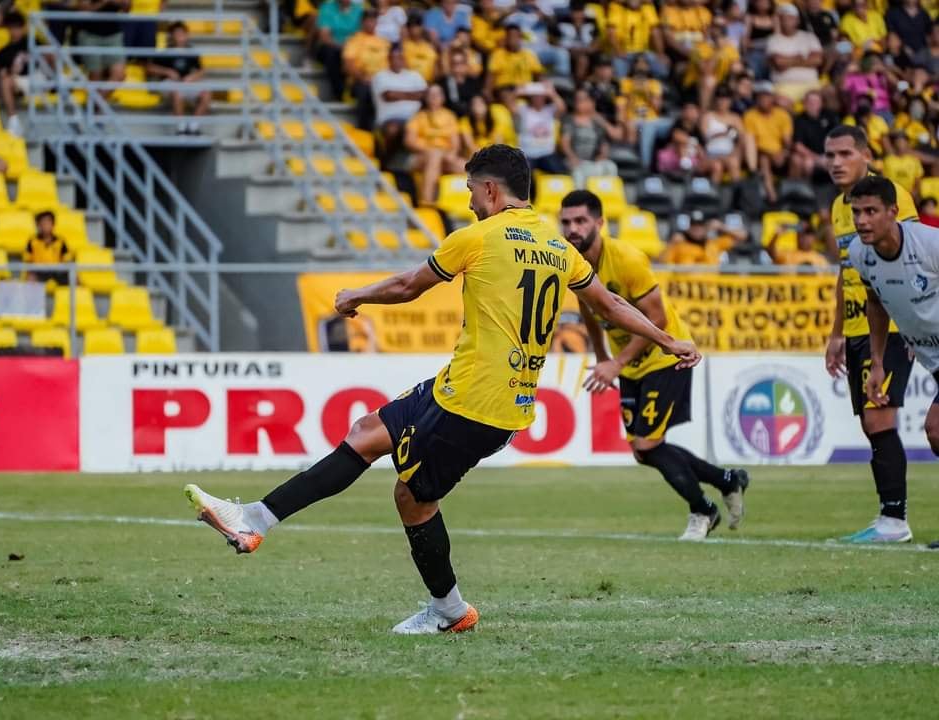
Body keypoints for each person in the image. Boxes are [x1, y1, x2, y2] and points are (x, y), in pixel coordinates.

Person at [183, 144, 701, 634]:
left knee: (413, 497)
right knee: (367, 433)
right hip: (480, 391)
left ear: (493, 191)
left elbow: (410, 286)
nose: (470, 201)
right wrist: (666, 339)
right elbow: (610, 304)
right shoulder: (557, 247)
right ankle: (252, 519)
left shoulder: (478, 237)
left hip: (473, 402)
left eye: (473, 190)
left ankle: (448, 611)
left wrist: (355, 295)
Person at [561, 190, 748, 541]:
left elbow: (658, 317)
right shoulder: (575, 264)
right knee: (643, 452)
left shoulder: (627, 258)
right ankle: (727, 480)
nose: (572, 228)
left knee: (647, 445)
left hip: (667, 356)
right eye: (566, 222)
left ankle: (703, 511)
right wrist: (603, 358)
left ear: (599, 223)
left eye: (580, 220)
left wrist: (616, 362)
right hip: (630, 363)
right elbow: (588, 310)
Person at [823, 125, 919, 544]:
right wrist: (836, 332)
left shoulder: (890, 194)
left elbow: (913, 256)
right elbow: (848, 273)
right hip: (859, 325)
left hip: (895, 323)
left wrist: (917, 322)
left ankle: (894, 521)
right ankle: (889, 517)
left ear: (865, 154)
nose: (835, 163)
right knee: (870, 421)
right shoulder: (838, 207)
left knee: (879, 417)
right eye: (829, 155)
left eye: (844, 153)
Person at [847, 176, 939, 549]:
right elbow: (876, 303)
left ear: (893, 213)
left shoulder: (930, 244)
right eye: (856, 212)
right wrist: (879, 362)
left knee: (936, 430)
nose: (862, 220)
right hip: (934, 359)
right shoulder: (859, 253)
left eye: (871, 212)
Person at [404, 84, 465, 206]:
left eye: (437, 94)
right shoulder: (418, 117)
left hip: (444, 156)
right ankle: (427, 200)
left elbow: (455, 143)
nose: (434, 97)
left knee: (467, 166)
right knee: (434, 155)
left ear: (443, 98)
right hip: (421, 157)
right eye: (431, 95)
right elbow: (409, 141)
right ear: (426, 98)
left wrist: (450, 155)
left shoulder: (449, 116)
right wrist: (430, 150)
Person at [147, 22, 209, 135]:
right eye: (177, 33)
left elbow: (201, 70)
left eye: (182, 33)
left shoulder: (191, 51)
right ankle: (180, 127)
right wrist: (167, 72)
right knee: (177, 92)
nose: (180, 36)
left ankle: (194, 126)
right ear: (171, 36)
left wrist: (192, 77)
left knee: (206, 94)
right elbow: (150, 68)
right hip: (167, 82)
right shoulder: (165, 51)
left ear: (187, 35)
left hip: (185, 82)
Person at [560, 86, 618, 190]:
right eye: (577, 99)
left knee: (610, 166)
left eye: (583, 99)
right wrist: (572, 157)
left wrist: (602, 155)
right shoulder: (569, 120)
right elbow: (565, 143)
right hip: (575, 160)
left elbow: (609, 139)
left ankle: (606, 198)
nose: (580, 102)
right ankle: (580, 201)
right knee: (578, 172)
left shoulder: (597, 122)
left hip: (592, 161)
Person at [742, 81, 792, 202]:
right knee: (764, 159)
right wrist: (771, 153)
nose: (763, 99)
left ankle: (792, 195)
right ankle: (772, 196)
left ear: (773, 98)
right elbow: (751, 142)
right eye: (760, 96)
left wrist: (784, 152)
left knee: (796, 160)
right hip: (760, 153)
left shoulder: (782, 115)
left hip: (780, 153)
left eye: (767, 96)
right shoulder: (750, 115)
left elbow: (787, 140)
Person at [766, 3, 822, 104]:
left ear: (798, 20)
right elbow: (779, 63)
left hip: (811, 85)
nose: (787, 22)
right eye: (784, 19)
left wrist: (789, 60)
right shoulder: (773, 40)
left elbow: (817, 60)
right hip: (784, 86)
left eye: (791, 18)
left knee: (828, 93)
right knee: (781, 102)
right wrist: (802, 59)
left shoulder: (809, 37)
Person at [344, 9, 390, 130]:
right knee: (366, 91)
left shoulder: (384, 42)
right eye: (368, 21)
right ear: (362, 22)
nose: (371, 23)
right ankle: (364, 129)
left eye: (373, 20)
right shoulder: (354, 40)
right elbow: (348, 64)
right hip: (360, 81)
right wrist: (363, 77)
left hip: (382, 81)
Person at [75, 0, 129, 98]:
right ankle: (96, 108)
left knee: (120, 74)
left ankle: (96, 106)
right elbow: (83, 9)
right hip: (90, 35)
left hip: (113, 35)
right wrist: (103, 2)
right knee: (95, 75)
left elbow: (127, 8)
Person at [314, 0, 362, 100]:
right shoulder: (327, 8)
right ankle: (339, 93)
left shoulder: (359, 10)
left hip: (353, 48)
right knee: (333, 54)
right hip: (332, 46)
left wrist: (349, 48)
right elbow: (325, 36)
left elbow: (360, 35)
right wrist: (342, 46)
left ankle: (353, 91)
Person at [790, 89, 837, 182]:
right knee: (808, 163)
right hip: (811, 156)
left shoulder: (830, 116)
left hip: (830, 153)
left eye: (816, 102)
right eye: (810, 102)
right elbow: (798, 146)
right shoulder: (799, 120)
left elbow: (838, 138)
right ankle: (807, 192)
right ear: (804, 104)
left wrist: (831, 155)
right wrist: (817, 158)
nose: (812, 105)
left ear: (821, 104)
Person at [0, 11, 28, 137]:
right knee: (5, 80)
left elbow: (49, 56)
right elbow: (2, 74)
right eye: (11, 28)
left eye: (17, 27)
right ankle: (13, 120)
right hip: (19, 82)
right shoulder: (2, 52)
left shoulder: (34, 42)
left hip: (40, 77)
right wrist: (12, 72)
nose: (14, 31)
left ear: (23, 28)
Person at [24, 210, 72, 285]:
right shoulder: (32, 241)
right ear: (38, 225)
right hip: (39, 272)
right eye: (42, 223)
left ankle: (75, 296)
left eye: (48, 222)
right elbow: (28, 260)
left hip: (57, 272)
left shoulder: (60, 241)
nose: (45, 225)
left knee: (73, 277)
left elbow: (67, 260)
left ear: (53, 224)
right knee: (30, 277)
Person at [883, 131, 925, 195]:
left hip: (909, 194)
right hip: (892, 194)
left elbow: (918, 179)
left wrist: (914, 193)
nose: (900, 144)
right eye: (898, 141)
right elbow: (884, 179)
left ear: (907, 143)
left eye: (903, 141)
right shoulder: (888, 160)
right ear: (894, 144)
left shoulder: (914, 160)